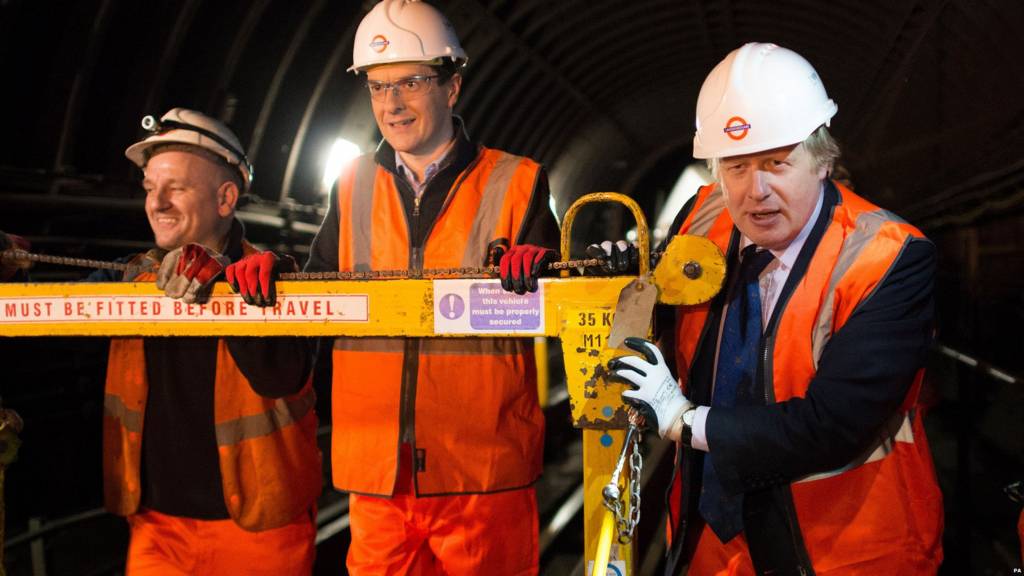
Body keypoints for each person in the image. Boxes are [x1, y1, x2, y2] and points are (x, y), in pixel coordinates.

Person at [227, 1, 560, 573]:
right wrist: (275, 276)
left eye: (410, 82)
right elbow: (319, 297)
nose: (392, 104)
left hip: (481, 476)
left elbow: (561, 308)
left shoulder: (517, 180)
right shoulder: (352, 183)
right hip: (377, 475)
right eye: (379, 88)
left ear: (451, 86)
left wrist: (546, 273)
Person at [607, 43, 944, 575]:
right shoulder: (700, 221)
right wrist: (620, 274)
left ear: (823, 159)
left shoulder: (887, 259)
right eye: (736, 167)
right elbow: (664, 313)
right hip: (713, 547)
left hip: (844, 550)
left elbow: (829, 426)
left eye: (777, 163)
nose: (755, 192)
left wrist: (682, 420)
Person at [92, 108, 320, 575]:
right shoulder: (132, 277)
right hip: (156, 529)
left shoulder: (273, 277)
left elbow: (281, 376)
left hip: (259, 529)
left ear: (225, 198)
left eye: (176, 187)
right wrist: (16, 265)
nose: (158, 203)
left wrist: (224, 280)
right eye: (151, 189)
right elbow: (48, 306)